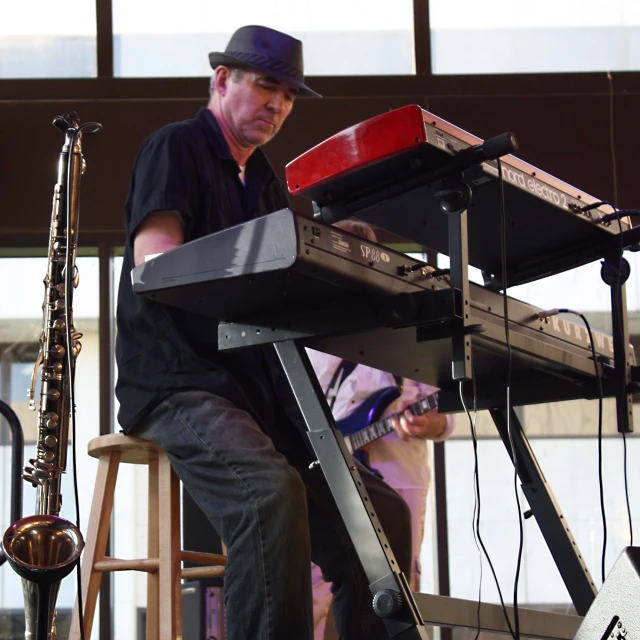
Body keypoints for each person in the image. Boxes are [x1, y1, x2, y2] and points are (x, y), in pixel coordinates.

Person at [115, 25, 412, 640]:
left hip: (253, 392)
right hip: (180, 381)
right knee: (269, 496)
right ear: (222, 81)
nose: (278, 105)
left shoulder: (266, 182)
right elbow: (154, 261)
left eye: (289, 95)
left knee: (377, 513)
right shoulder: (176, 147)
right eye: (266, 86)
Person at [307, 221, 456, 640]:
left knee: (397, 594)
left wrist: (429, 423)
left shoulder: (407, 324)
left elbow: (447, 414)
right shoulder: (311, 328)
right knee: (310, 591)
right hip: (330, 477)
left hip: (399, 474)